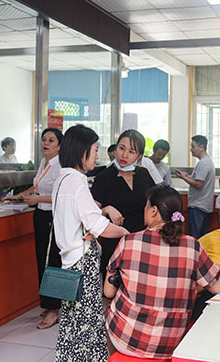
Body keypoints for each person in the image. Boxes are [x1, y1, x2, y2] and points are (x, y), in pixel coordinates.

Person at [104, 186, 220, 359]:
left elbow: (108, 292)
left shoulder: (129, 241)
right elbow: (218, 287)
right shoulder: (192, 246)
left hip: (126, 341)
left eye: (146, 206)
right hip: (171, 345)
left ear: (153, 211)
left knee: (109, 312)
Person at [52, 124, 129, 362]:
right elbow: (100, 227)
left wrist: (94, 221)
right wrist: (127, 233)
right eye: (95, 150)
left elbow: (75, 216)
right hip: (81, 262)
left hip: (67, 260)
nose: (97, 155)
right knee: (88, 322)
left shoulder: (62, 178)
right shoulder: (77, 181)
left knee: (72, 321)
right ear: (82, 150)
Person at [0, 128, 63, 329]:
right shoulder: (44, 163)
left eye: (51, 140)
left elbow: (62, 195)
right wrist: (18, 196)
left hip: (53, 217)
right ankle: (49, 304)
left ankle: (54, 309)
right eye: (44, 139)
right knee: (41, 260)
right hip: (40, 216)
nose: (46, 143)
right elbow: (36, 186)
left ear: (60, 146)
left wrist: (37, 199)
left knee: (51, 262)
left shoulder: (60, 165)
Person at [91, 129, 156, 274]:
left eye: (131, 151)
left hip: (142, 243)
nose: (124, 155)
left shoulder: (144, 174)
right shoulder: (104, 177)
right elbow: (92, 215)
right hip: (115, 244)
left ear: (139, 156)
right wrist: (106, 209)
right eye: (122, 148)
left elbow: (156, 203)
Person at [176, 135, 215, 239]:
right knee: (203, 238)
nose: (191, 149)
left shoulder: (203, 163)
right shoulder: (207, 161)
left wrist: (184, 178)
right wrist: (187, 177)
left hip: (198, 206)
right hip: (204, 205)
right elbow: (199, 181)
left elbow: (198, 184)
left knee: (195, 238)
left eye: (193, 146)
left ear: (201, 147)